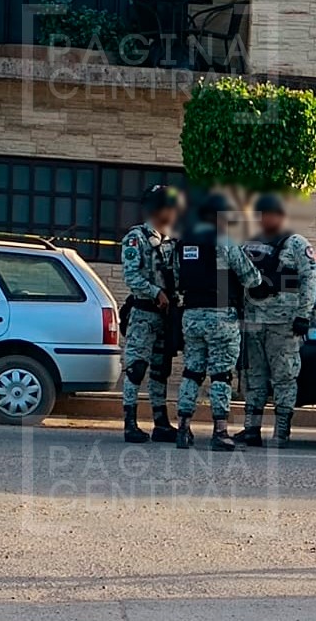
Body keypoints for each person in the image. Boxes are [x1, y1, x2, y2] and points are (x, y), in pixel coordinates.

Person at [175, 194, 262, 451]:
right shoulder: (224, 240)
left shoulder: (184, 241)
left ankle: (183, 428)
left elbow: (178, 275)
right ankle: (220, 431)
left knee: (192, 371)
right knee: (221, 374)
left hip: (191, 314)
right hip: (220, 315)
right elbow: (249, 276)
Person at [234, 194, 316, 448]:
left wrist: (304, 315)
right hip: (253, 321)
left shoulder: (296, 244)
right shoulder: (248, 244)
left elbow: (309, 280)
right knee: (253, 375)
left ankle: (281, 430)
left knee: (284, 376)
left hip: (284, 323)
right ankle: (251, 429)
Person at [119, 185, 182, 444]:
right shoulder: (136, 238)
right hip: (144, 314)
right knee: (136, 368)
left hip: (165, 318)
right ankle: (130, 423)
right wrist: (155, 292)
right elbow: (131, 276)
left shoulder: (170, 240)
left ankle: (161, 422)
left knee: (160, 369)